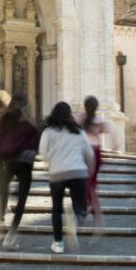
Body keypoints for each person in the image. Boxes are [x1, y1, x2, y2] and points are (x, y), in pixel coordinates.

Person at [39, 101, 94, 254]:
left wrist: (51, 162)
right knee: (80, 206)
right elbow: (89, 154)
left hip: (57, 173)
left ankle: (58, 244)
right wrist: (89, 172)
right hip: (78, 172)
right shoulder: (79, 132)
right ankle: (75, 219)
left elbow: (43, 152)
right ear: (70, 115)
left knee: (56, 209)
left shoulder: (48, 132)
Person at [0, 94, 40, 250]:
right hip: (25, 164)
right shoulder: (29, 123)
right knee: (22, 200)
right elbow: (36, 143)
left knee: (4, 187)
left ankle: (1, 213)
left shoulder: (5, 120)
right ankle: (11, 233)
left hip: (9, 161)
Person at [74, 95, 119, 225]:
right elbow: (113, 130)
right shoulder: (99, 120)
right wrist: (115, 146)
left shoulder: (79, 118)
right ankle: (91, 207)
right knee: (92, 181)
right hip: (95, 152)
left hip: (82, 152)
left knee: (83, 181)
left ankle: (87, 207)